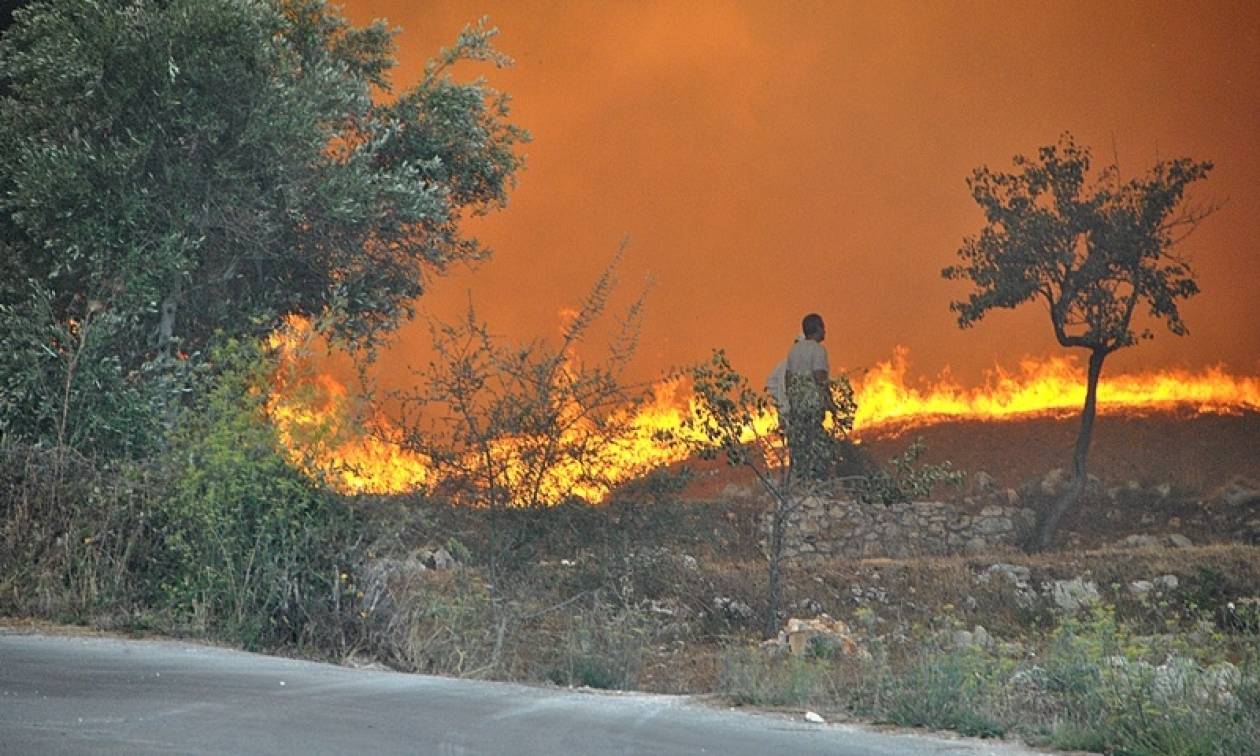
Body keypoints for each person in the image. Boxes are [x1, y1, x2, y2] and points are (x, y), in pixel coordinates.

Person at [783, 313, 832, 478]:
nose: (825, 331)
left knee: (799, 443)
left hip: (797, 405)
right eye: (823, 327)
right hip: (812, 404)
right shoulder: (818, 350)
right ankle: (816, 479)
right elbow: (820, 378)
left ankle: (799, 478)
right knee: (815, 442)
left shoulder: (793, 350)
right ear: (817, 328)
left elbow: (788, 378)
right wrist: (829, 402)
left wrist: (792, 400)